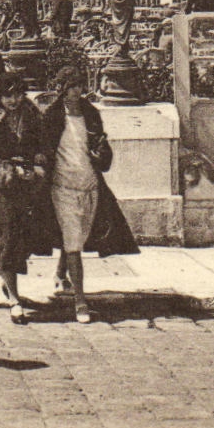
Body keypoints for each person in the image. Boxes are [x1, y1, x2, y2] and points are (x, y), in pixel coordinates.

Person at [39, 64, 140, 323]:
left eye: (79, 86)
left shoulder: (91, 113)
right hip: (62, 186)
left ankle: (60, 275)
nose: (76, 92)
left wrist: (102, 152)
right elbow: (43, 149)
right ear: (62, 89)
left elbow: (101, 143)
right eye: (71, 87)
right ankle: (80, 302)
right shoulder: (51, 116)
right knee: (74, 242)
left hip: (90, 184)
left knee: (79, 236)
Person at [0, 73, 53, 322]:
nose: (14, 100)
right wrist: (8, 170)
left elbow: (44, 144)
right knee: (6, 243)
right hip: (4, 192)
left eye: (18, 94)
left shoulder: (32, 116)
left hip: (30, 191)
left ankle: (9, 284)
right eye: (8, 95)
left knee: (25, 242)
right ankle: (15, 300)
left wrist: (39, 160)